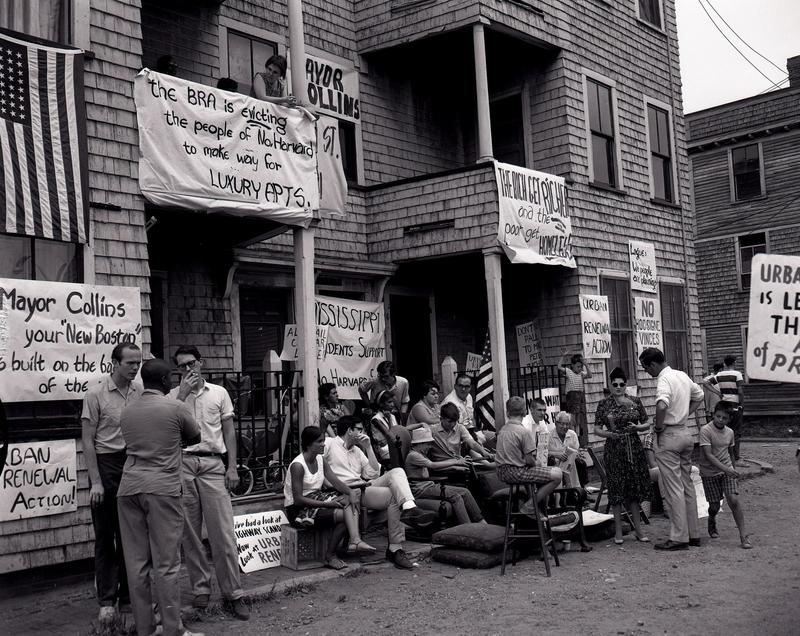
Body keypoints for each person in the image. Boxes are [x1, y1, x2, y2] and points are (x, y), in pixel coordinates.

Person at [116, 359, 203, 636]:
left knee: (136, 563)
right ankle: (172, 629)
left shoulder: (127, 410)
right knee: (166, 564)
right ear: (166, 381)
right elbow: (195, 436)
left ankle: (145, 629)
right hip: (163, 487)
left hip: (129, 487)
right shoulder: (176, 406)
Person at [168, 346, 248, 620]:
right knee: (190, 533)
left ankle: (233, 593)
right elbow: (169, 429)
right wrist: (182, 394)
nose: (188, 369)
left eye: (191, 363)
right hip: (185, 464)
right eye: (181, 366)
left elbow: (229, 432)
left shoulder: (219, 393)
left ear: (201, 363)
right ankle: (200, 588)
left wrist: (232, 467)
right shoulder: (173, 396)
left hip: (213, 463)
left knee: (223, 533)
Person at [81, 342, 142, 625]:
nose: (135, 367)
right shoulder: (95, 395)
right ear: (114, 364)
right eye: (130, 363)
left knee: (130, 534)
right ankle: (107, 600)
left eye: (138, 362)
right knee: (106, 536)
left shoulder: (139, 392)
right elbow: (88, 442)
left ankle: (129, 596)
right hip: (105, 466)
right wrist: (95, 482)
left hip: (131, 464)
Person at [324, 416, 436, 569]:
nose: (363, 433)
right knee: (394, 497)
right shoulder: (330, 443)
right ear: (350, 431)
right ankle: (395, 548)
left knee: (396, 472)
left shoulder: (357, 450)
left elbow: (373, 474)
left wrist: (369, 447)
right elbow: (318, 465)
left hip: (363, 487)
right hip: (345, 491)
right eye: (359, 429)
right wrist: (329, 484)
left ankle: (409, 506)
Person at [639, 347, 704, 551]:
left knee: (673, 487)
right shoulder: (682, 375)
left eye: (646, 367)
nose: (647, 372)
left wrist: (659, 426)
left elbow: (661, 405)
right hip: (685, 433)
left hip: (670, 435)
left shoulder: (664, 380)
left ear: (653, 364)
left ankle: (679, 536)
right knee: (687, 485)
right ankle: (693, 533)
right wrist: (685, 413)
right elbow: (699, 395)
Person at [284, 427, 375, 568]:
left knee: (349, 501)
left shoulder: (320, 459)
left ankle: (352, 542)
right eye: (319, 442)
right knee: (347, 515)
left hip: (318, 500)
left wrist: (350, 493)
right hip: (299, 509)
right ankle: (334, 553)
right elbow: (298, 499)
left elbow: (336, 481)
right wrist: (329, 505)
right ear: (308, 444)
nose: (323, 444)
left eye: (324, 441)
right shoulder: (298, 465)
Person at [594, 367, 652, 544]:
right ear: (610, 385)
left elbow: (647, 423)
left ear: (626, 384)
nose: (618, 387)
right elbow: (596, 428)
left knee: (633, 489)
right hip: (614, 448)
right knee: (616, 489)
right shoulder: (604, 404)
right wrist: (608, 435)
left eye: (621, 384)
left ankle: (638, 529)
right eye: (615, 384)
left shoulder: (634, 401)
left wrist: (637, 428)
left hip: (632, 447)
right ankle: (618, 531)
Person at [495, 396, 563, 517]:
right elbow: (530, 460)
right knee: (557, 474)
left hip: (502, 471)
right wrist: (537, 463)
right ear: (525, 412)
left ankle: (538, 510)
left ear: (507, 412)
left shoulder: (503, 430)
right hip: (516, 472)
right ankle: (529, 507)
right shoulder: (523, 431)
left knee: (542, 471)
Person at [404, 427, 485, 525]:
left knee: (465, 492)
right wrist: (457, 461)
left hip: (429, 485)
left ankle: (481, 522)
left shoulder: (421, 454)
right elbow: (432, 465)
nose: (430, 446)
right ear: (420, 443)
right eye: (428, 444)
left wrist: (456, 467)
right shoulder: (413, 455)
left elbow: (433, 468)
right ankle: (466, 526)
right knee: (456, 496)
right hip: (421, 489)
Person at [699, 402, 752, 549]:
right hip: (709, 472)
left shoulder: (730, 432)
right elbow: (708, 455)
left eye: (724, 418)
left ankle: (743, 536)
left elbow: (731, 453)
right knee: (714, 505)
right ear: (713, 414)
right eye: (718, 416)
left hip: (726, 470)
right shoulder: (705, 431)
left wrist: (732, 470)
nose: (720, 420)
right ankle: (712, 519)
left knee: (734, 501)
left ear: (729, 419)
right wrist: (727, 469)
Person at [430, 402, 494, 465]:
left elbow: (472, 443)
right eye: (449, 422)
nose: (453, 424)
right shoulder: (432, 431)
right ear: (441, 419)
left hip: (458, 463)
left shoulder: (460, 427)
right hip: (441, 466)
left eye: (455, 421)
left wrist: (484, 452)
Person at [559, 352, 592, 446]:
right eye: (578, 366)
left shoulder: (581, 374)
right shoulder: (569, 372)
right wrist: (563, 356)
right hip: (572, 398)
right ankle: (573, 437)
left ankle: (577, 437)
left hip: (579, 397)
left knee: (578, 420)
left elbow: (590, 375)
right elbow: (559, 367)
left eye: (581, 366)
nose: (580, 368)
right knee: (572, 420)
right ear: (572, 365)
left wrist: (586, 364)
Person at [715, 355, 745, 460]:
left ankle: (725, 454)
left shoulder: (719, 375)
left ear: (724, 363)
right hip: (735, 405)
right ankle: (736, 456)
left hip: (723, 405)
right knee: (736, 431)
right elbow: (740, 391)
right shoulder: (737, 374)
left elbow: (706, 382)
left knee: (724, 430)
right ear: (734, 362)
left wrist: (718, 393)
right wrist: (741, 404)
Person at [548, 411, 580, 489]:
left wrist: (576, 454)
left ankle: (577, 491)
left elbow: (576, 450)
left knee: (576, 463)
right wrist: (556, 455)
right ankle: (574, 490)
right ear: (556, 423)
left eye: (567, 424)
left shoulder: (572, 434)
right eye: (562, 424)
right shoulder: (549, 436)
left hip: (570, 464)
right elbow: (544, 453)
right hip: (555, 464)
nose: (565, 426)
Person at [368, 390, 400, 462]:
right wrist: (389, 420)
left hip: (394, 446)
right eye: (389, 402)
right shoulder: (376, 419)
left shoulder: (392, 416)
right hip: (385, 449)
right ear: (381, 404)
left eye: (392, 402)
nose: (392, 404)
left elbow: (399, 431)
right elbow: (391, 435)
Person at [521, 398, 552, 468]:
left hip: (536, 456)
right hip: (523, 459)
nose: (543, 413)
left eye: (544, 410)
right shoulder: (525, 424)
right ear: (531, 410)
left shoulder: (541, 422)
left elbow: (545, 443)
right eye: (539, 410)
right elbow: (525, 451)